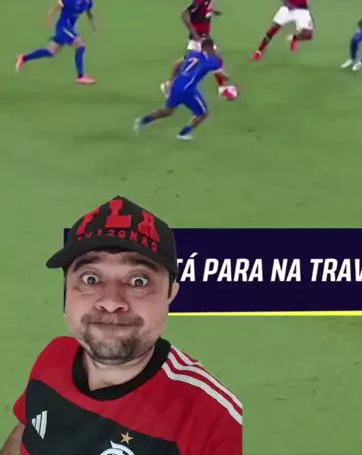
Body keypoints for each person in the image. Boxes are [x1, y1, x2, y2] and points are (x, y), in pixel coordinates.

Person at [0, 195, 242, 455]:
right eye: (90, 278)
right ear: (67, 290)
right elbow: (27, 428)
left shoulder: (216, 423)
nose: (111, 302)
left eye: (139, 281)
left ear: (170, 295)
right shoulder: (54, 356)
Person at [136, 38, 228, 140]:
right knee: (203, 114)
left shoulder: (193, 54)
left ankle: (143, 121)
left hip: (177, 85)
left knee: (168, 111)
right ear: (210, 48)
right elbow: (224, 76)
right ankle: (183, 134)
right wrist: (218, 56)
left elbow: (177, 64)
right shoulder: (212, 61)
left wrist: (172, 79)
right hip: (188, 90)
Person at [15, 0, 96, 84]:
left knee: (51, 52)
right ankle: (80, 76)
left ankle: (24, 58)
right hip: (64, 27)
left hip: (70, 28)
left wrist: (93, 24)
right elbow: (55, 7)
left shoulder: (88, 0)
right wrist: (49, 19)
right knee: (81, 46)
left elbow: (89, 11)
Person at [161, 0, 227, 97]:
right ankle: (223, 87)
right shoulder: (200, 0)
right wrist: (194, 33)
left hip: (204, 37)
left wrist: (213, 12)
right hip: (199, 37)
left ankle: (169, 84)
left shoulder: (207, 0)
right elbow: (184, 14)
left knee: (190, 60)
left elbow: (204, 10)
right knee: (213, 58)